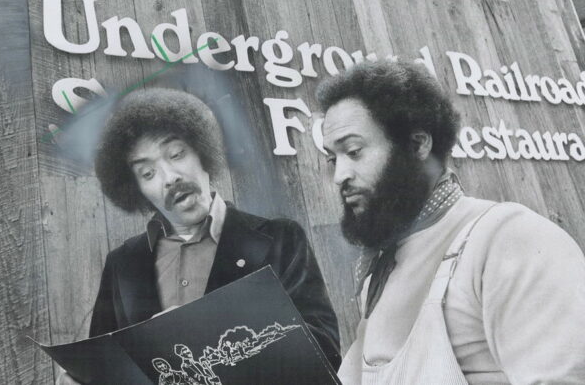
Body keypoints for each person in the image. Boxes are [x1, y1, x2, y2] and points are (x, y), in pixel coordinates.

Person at [317, 59, 585, 384]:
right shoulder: (378, 270)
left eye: (354, 151)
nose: (339, 176)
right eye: (333, 158)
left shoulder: (506, 238)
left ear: (417, 144)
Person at [56, 88, 341, 384]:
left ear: (201, 150)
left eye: (176, 154)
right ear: (136, 189)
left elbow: (327, 351)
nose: (170, 178)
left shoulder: (282, 238)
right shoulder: (121, 264)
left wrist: (204, 330)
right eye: (148, 173)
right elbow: (104, 365)